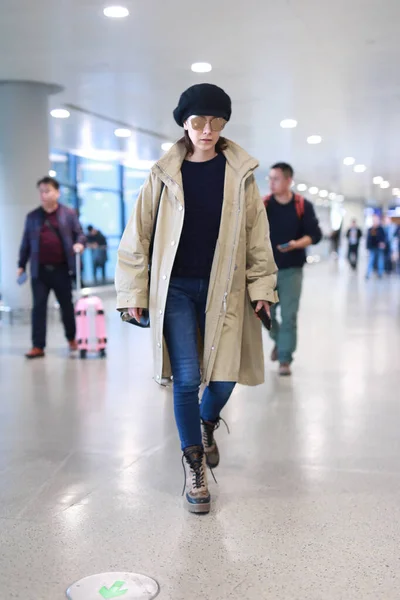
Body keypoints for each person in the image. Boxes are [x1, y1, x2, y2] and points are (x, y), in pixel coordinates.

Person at [116, 83, 278, 514]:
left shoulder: (239, 174)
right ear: (184, 124)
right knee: (187, 377)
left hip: (226, 287)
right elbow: (138, 237)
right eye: (198, 122)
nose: (207, 130)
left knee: (224, 377)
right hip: (176, 289)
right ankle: (194, 468)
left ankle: (206, 423)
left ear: (224, 124)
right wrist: (133, 290)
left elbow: (257, 239)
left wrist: (262, 289)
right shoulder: (163, 174)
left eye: (216, 122)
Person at [17, 176, 86, 358]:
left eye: (47, 191)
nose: (44, 195)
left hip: (62, 269)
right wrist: (21, 265)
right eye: (41, 191)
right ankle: (38, 346)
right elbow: (26, 243)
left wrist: (79, 244)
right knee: (38, 308)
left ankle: (72, 339)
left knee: (66, 307)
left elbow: (80, 234)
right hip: (39, 271)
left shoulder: (68, 214)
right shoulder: (33, 217)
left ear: (57, 192)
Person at [264, 163, 322, 377]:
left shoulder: (301, 205)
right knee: (263, 313)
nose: (271, 183)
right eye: (270, 178)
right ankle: (280, 342)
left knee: (288, 316)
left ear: (289, 180)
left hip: (291, 270)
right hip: (266, 271)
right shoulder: (264, 205)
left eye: (276, 179)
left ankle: (285, 359)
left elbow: (315, 235)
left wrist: (297, 244)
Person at [366, 214, 386, 279]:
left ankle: (380, 273)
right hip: (372, 247)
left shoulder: (381, 229)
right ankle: (368, 274)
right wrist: (367, 247)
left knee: (380, 260)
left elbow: (384, 237)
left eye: (376, 220)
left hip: (379, 247)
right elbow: (368, 239)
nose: (374, 221)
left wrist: (383, 243)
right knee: (371, 260)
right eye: (373, 220)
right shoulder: (370, 229)